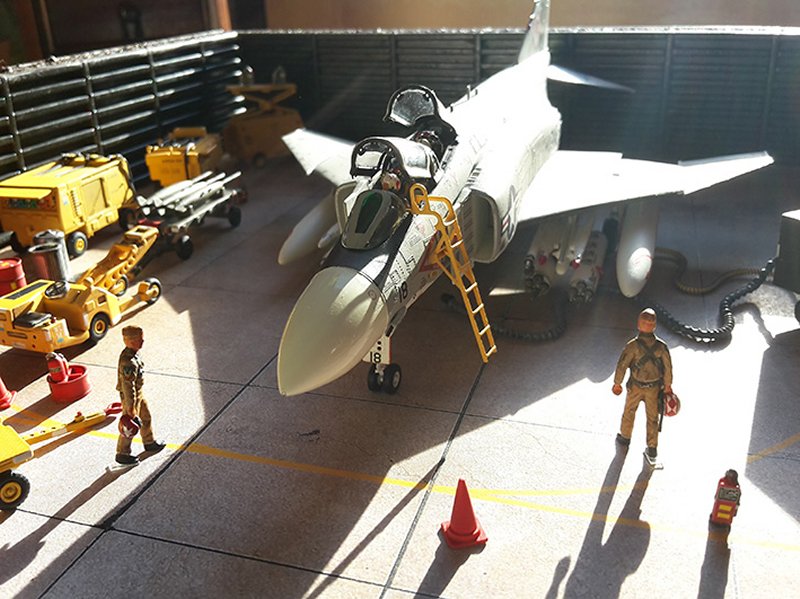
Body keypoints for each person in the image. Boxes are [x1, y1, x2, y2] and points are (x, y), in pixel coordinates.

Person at [611, 308, 673, 460]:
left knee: (629, 412)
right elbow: (668, 368)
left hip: (636, 387)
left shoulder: (632, 346)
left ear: (638, 325)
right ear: (654, 326)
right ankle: (652, 447)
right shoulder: (661, 347)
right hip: (654, 389)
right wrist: (668, 386)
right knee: (653, 418)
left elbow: (622, 365)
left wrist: (617, 383)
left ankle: (625, 437)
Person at [116, 326, 165, 465]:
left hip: (138, 393)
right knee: (129, 426)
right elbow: (127, 386)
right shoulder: (128, 362)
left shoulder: (134, 354)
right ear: (131, 341)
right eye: (139, 340)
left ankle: (149, 442)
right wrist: (130, 407)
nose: (143, 341)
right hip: (130, 397)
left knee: (145, 417)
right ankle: (122, 453)